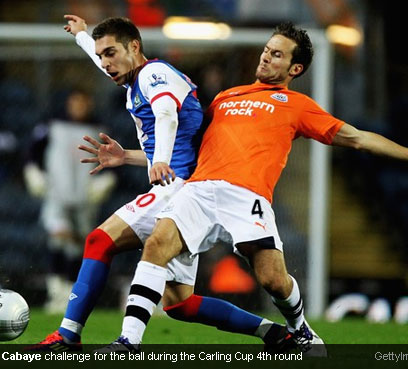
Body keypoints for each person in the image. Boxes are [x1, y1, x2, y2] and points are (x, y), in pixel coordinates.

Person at [105, 22, 408, 354]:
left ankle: (300, 329)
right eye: (267, 49)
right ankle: (128, 343)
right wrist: (132, 157)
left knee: (273, 280)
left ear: (294, 69)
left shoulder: (297, 106)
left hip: (247, 195)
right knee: (156, 244)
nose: (266, 56)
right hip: (199, 188)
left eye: (276, 54)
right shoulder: (224, 98)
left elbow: (357, 138)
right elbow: (185, 149)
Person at [33, 15, 292, 351]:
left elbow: (167, 115)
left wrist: (158, 161)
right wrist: (82, 35)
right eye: (101, 56)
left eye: (111, 53)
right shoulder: (135, 78)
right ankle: (275, 334)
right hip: (188, 188)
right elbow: (170, 133)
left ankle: (70, 334)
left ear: (135, 47)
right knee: (179, 304)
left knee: (99, 241)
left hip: (179, 188)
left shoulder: (155, 75)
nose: (106, 63)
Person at [23, 89, 116, 313]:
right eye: (75, 102)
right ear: (67, 103)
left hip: (85, 197)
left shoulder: (100, 129)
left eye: (83, 102)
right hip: (57, 193)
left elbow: (113, 159)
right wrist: (32, 171)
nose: (79, 107)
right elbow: (32, 150)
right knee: (58, 236)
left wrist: (107, 179)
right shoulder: (52, 124)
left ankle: (70, 293)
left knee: (78, 246)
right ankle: (56, 292)